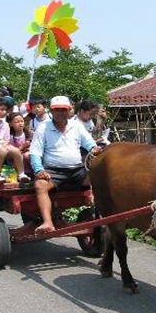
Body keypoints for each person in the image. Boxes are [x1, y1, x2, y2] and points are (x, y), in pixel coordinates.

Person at [29, 96, 102, 233]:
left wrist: (94, 148)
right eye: (57, 110)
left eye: (64, 110)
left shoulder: (77, 125)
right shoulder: (43, 128)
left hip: (77, 170)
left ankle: (102, 213)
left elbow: (88, 142)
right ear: (51, 111)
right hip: (53, 171)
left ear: (69, 110)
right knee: (40, 185)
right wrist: (39, 170)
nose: (61, 113)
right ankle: (47, 222)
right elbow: (35, 153)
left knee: (100, 177)